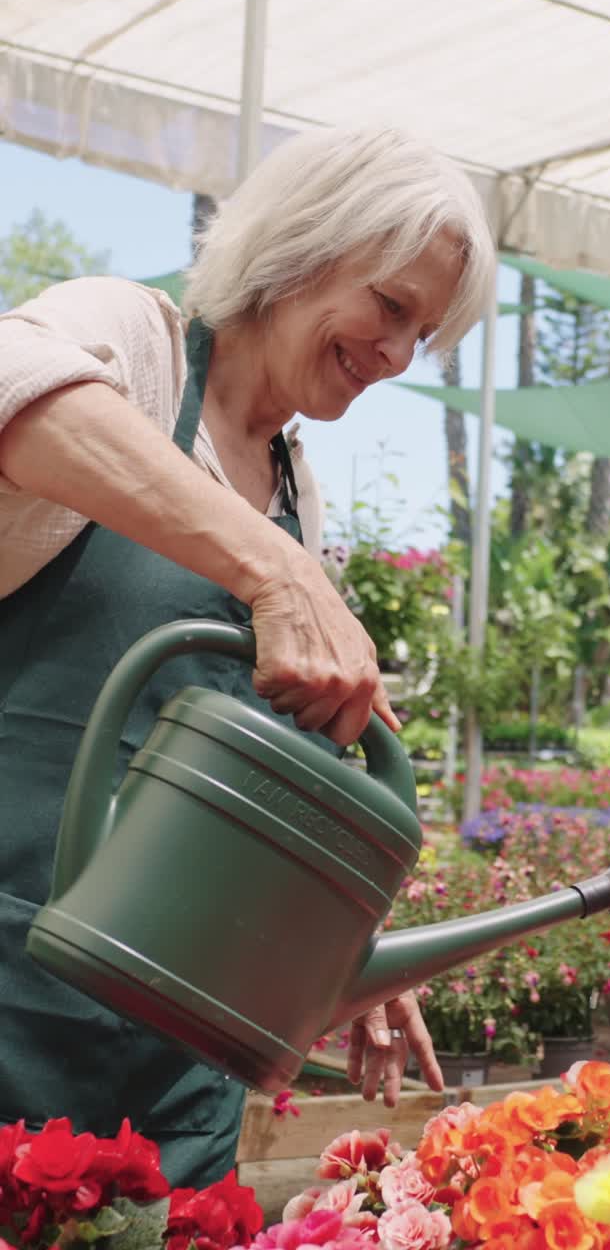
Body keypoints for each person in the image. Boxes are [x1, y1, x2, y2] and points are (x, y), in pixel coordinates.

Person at [0, 126, 495, 1186]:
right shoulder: (134, 344)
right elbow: (8, 380)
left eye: (426, 333)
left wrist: (327, 937)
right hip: (15, 1018)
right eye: (392, 306)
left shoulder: (291, 490)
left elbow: (229, 778)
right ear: (304, 246)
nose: (401, 355)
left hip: (177, 1059)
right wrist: (277, 572)